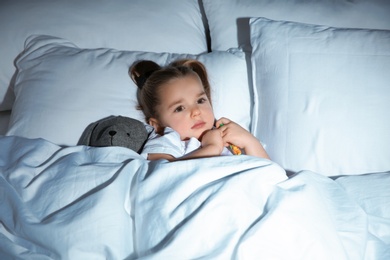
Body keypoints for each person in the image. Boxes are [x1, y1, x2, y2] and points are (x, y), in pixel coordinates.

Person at [129, 59, 269, 161]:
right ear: (157, 124)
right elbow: (166, 176)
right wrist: (212, 148)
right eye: (180, 108)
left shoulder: (227, 137)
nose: (196, 111)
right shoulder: (166, 142)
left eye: (200, 101)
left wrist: (250, 142)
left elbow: (269, 175)